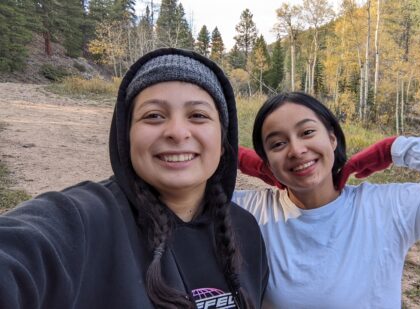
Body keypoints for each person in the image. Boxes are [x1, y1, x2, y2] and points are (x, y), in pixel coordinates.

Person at [0, 48, 268, 309]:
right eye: (153, 116)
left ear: (222, 141)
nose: (177, 132)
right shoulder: (81, 221)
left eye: (198, 115)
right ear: (125, 136)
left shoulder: (245, 229)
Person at [234, 92, 420, 308]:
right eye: (278, 144)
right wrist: (233, 158)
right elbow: (191, 196)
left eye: (307, 132)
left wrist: (395, 149)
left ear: (332, 139)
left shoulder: (385, 208)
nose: (296, 149)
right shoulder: (251, 212)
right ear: (266, 161)